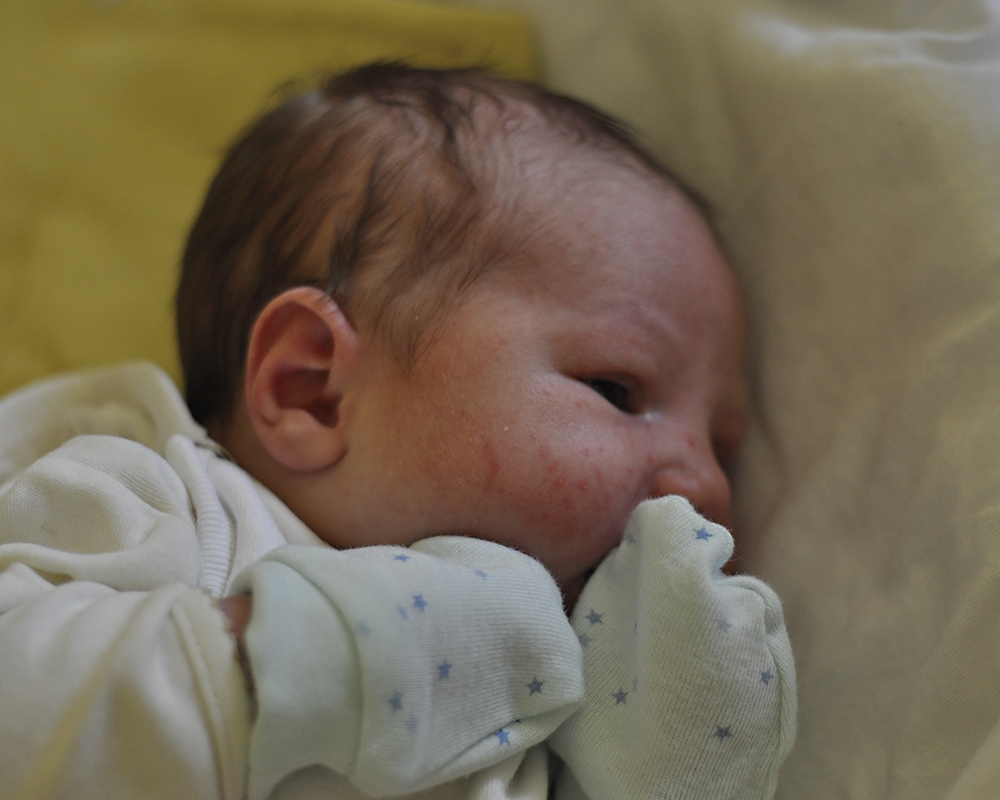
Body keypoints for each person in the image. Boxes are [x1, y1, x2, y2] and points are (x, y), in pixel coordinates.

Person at [0, 63, 794, 800]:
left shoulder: (555, 717)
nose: (709, 487)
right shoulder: (161, 511)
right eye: (617, 390)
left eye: (722, 446)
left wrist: (681, 751)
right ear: (315, 392)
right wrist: (335, 655)